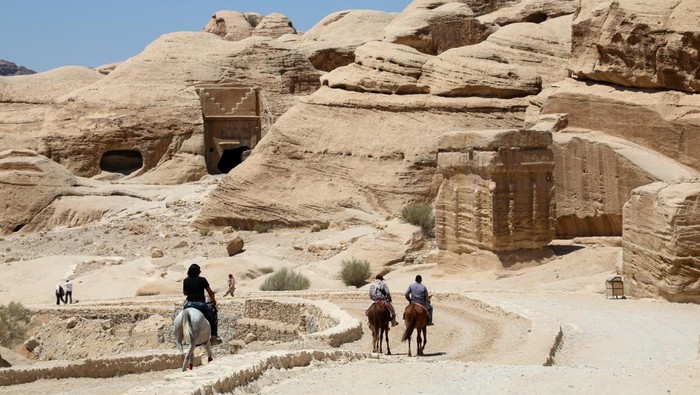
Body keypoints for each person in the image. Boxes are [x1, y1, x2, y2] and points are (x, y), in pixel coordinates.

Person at [183, 263, 221, 343]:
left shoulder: (186, 280)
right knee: (212, 317)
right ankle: (214, 336)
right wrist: (214, 301)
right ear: (198, 272)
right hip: (200, 304)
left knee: (183, 318)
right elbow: (210, 292)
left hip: (189, 304)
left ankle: (182, 335)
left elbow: (185, 293)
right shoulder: (202, 280)